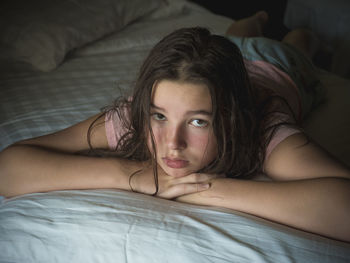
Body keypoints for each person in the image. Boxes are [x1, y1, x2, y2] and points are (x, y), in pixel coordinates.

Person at [0, 11, 349, 242]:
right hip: (226, 61)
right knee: (237, 34)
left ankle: (302, 34)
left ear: (230, 119)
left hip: (278, 67)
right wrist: (132, 175)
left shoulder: (264, 129)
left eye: (198, 121)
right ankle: (253, 19)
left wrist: (203, 188)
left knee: (297, 45)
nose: (172, 143)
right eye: (160, 117)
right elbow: (9, 167)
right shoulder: (135, 119)